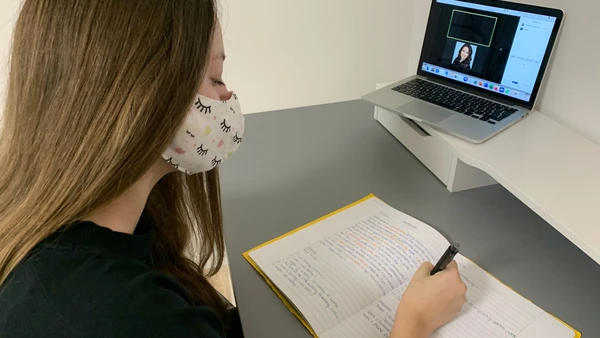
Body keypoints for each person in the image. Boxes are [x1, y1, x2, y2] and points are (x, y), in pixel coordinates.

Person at [0, 1, 467, 338]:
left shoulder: (48, 219)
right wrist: (414, 325)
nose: (227, 99)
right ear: (144, 98)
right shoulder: (133, 318)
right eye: (216, 77)